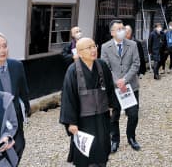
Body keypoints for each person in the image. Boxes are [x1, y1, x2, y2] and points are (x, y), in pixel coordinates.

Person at [60, 37, 116, 167]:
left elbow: (110, 89)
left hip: (102, 116)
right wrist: (71, 122)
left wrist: (113, 106)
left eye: (94, 46)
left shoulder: (102, 65)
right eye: (88, 48)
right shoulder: (72, 70)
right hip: (83, 119)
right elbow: (68, 97)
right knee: (85, 152)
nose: (93, 50)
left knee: (102, 146)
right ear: (79, 52)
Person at [0, 32, 30, 163]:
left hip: (15, 114)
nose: (2, 50)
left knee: (19, 145)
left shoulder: (17, 65)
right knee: (1, 150)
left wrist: (26, 109)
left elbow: (23, 90)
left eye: (4, 46)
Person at [101, 19, 141, 152]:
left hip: (130, 86)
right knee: (113, 116)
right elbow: (105, 67)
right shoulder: (105, 47)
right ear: (112, 32)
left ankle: (131, 137)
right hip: (114, 88)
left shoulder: (133, 45)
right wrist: (117, 81)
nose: (122, 31)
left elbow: (136, 64)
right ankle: (114, 140)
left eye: (123, 28)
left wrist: (125, 80)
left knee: (133, 115)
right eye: (119, 29)